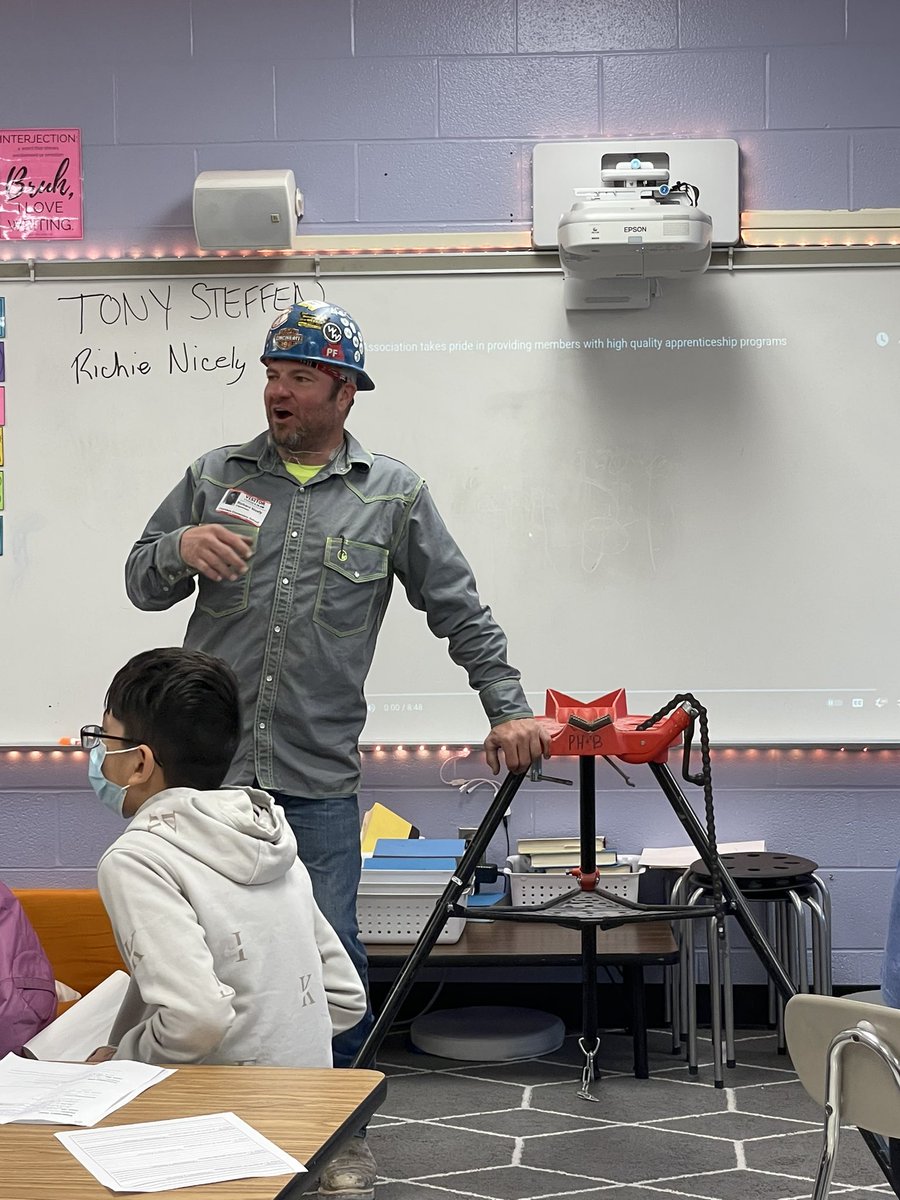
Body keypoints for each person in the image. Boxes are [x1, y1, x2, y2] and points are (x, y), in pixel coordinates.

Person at [124, 301, 549, 1196]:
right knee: (188, 954)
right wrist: (177, 546)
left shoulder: (392, 493)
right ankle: (184, 1123)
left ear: (345, 391)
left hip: (314, 775)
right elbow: (139, 579)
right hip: (206, 773)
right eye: (272, 374)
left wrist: (506, 707)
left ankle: (332, 1131)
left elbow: (459, 610)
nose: (278, 392)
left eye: (300, 378)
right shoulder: (215, 474)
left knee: (334, 963)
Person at [83, 646, 366, 1068]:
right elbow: (345, 996)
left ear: (140, 763)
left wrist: (120, 1059)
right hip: (311, 1110)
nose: (98, 753)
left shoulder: (138, 858)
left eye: (105, 739)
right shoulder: (268, 833)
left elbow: (197, 1019)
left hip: (218, 1118)